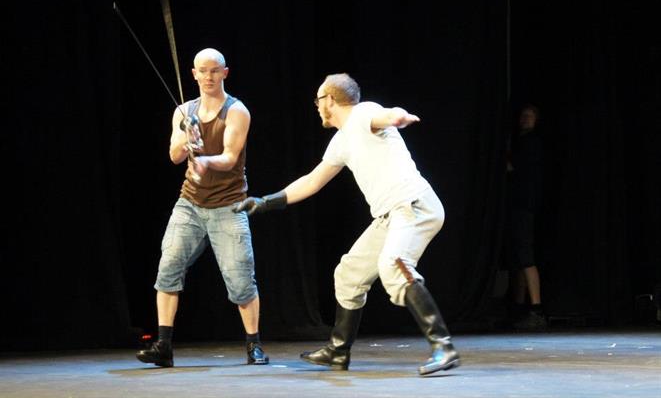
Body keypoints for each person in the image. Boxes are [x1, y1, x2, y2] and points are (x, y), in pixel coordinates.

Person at [234, 73, 460, 375]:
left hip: (413, 205)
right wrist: (265, 201)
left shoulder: (363, 113)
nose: (317, 107)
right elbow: (312, 181)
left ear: (330, 99)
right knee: (349, 274)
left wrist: (398, 116)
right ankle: (339, 351)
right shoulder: (341, 141)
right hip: (389, 216)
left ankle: (443, 347)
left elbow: (384, 115)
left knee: (394, 264)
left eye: (318, 100)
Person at [136, 48, 269, 367]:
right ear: (193, 74)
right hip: (190, 204)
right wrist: (186, 138)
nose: (208, 76)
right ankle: (163, 346)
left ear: (225, 72)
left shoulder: (237, 112)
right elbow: (174, 156)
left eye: (214, 70)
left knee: (240, 279)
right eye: (202, 71)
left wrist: (204, 161)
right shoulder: (183, 111)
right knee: (168, 267)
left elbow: (230, 158)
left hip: (229, 205)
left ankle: (254, 345)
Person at [505, 104, 546, 330]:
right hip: (520, 205)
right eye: (523, 115)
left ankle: (536, 309)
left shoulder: (531, 143)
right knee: (518, 258)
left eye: (529, 116)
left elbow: (514, 168)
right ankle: (519, 308)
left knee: (525, 255)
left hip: (524, 206)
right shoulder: (523, 141)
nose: (524, 119)